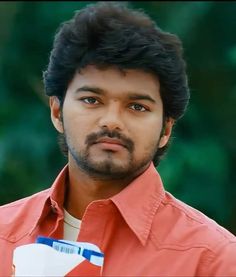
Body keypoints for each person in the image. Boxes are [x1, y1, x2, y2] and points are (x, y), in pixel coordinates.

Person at [0, 2, 236, 276]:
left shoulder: (213, 259)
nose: (111, 120)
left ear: (166, 130)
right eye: (91, 100)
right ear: (56, 112)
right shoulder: (4, 236)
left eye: (137, 106)